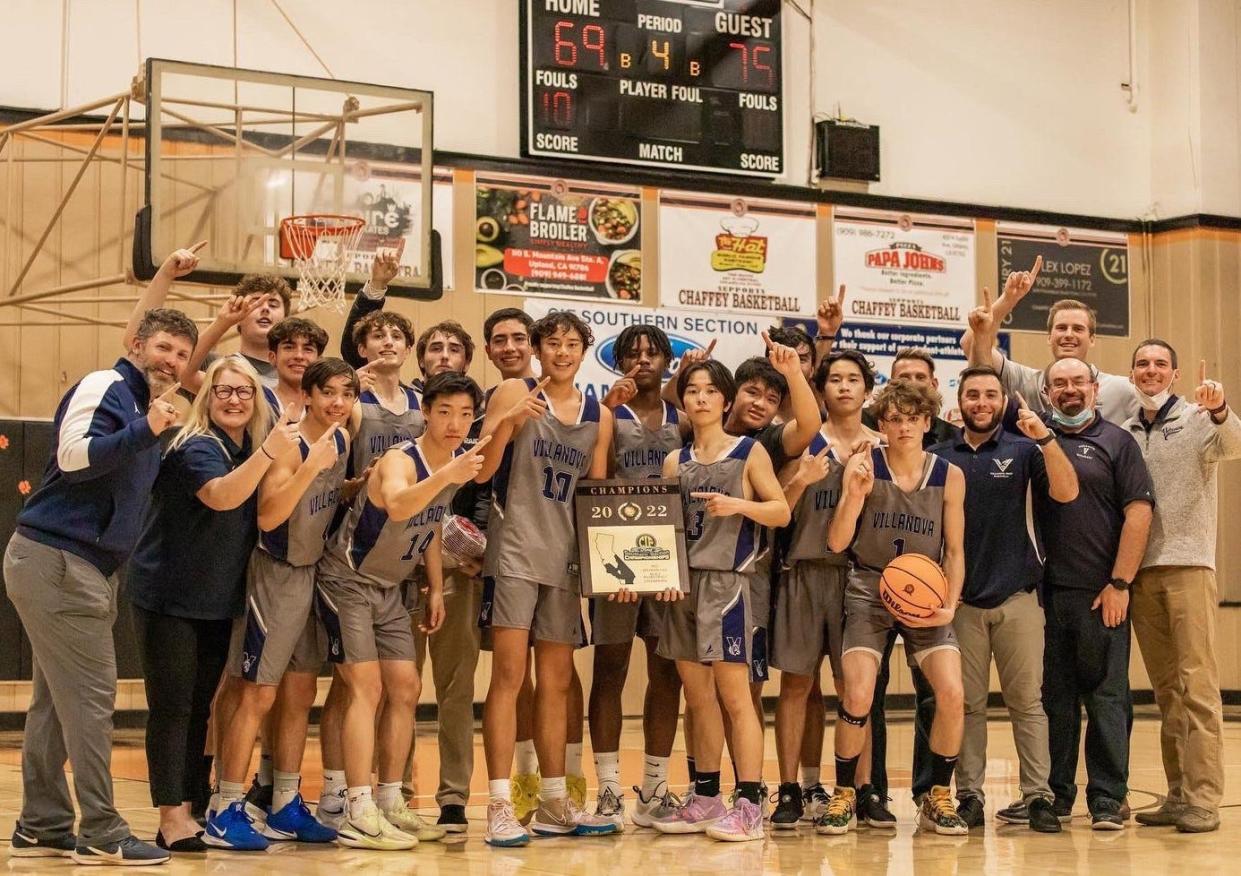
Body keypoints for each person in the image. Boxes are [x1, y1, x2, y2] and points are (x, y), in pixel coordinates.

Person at [4, 306, 196, 865]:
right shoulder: (106, 385)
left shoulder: (148, 405)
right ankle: (103, 831)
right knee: (91, 702)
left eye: (183, 355)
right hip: (58, 561)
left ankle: (42, 823)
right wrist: (147, 430)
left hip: (79, 567)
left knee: (54, 704)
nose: (173, 361)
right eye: (164, 347)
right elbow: (71, 456)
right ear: (136, 342)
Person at [315, 372, 487, 849]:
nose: (455, 422)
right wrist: (445, 477)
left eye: (465, 414)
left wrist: (434, 586)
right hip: (346, 580)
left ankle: (391, 801)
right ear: (427, 413)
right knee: (365, 689)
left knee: (407, 687)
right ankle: (357, 809)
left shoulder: (452, 461)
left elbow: (430, 525)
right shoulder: (401, 459)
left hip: (391, 588)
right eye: (445, 412)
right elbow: (396, 505)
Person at [127, 357, 290, 852]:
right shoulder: (195, 444)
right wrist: (268, 453)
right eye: (224, 390)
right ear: (207, 396)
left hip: (217, 599)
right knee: (174, 708)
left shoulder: (244, 446)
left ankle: (192, 805)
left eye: (244, 392)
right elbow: (222, 497)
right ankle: (171, 816)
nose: (234, 399)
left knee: (201, 706)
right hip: (169, 596)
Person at [476, 311, 617, 846]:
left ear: (584, 351)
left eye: (572, 344)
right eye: (552, 343)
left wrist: (607, 566)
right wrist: (506, 422)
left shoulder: (598, 416)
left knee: (557, 683)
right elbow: (484, 471)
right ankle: (498, 803)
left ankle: (555, 800)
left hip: (564, 561)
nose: (561, 352)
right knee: (510, 679)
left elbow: (596, 496)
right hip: (513, 553)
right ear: (537, 349)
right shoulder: (514, 391)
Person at [205, 359, 354, 851]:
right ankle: (225, 806)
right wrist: (311, 466)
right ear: (306, 395)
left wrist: (357, 485)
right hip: (276, 572)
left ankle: (286, 802)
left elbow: (324, 500)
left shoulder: (343, 440)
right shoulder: (288, 445)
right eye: (326, 392)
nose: (336, 402)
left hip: (314, 573)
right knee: (257, 693)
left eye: (345, 393)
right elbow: (269, 516)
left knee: (299, 692)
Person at [928, 366, 1078, 833]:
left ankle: (1038, 796)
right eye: (972, 393)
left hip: (1018, 596)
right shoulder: (939, 456)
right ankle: (969, 795)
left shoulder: (1025, 449)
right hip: (961, 602)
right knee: (967, 705)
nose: (981, 402)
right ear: (961, 399)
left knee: (1027, 703)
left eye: (990, 394)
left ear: (1004, 400)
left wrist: (1047, 440)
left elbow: (1067, 492)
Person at [821, 379, 969, 836]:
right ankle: (845, 793)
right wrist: (854, 495)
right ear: (881, 423)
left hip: (925, 592)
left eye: (913, 418)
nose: (904, 427)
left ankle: (939, 794)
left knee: (952, 693)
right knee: (859, 695)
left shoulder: (949, 474)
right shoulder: (864, 465)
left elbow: (956, 551)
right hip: (869, 587)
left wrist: (949, 604)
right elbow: (837, 541)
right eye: (894, 418)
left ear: (928, 422)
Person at [651, 358, 789, 842]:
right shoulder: (676, 461)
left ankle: (749, 803)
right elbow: (666, 531)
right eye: (693, 390)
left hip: (729, 587)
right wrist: (663, 572)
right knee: (698, 698)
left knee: (735, 697)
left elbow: (780, 511)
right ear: (684, 400)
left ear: (725, 400)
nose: (702, 398)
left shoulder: (749, 452)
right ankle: (706, 797)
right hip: (684, 589)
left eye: (712, 391)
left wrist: (739, 505)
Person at [1125, 343, 1241, 833]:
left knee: (1197, 686)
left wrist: (1220, 409)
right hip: (1141, 572)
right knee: (1167, 691)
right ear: (1133, 374)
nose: (1151, 371)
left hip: (1190, 566)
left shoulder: (1198, 418)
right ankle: (1177, 794)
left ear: (1173, 373)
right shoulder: (1125, 430)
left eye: (1159, 364)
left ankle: (1203, 799)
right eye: (1142, 364)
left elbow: (1234, 444)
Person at [1036, 357, 1154, 829]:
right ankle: (1057, 795)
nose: (1069, 389)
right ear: (1047, 392)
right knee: (1055, 702)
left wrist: (1120, 583)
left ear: (1094, 386)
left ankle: (1107, 797)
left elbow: (1139, 514)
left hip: (1101, 593)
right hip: (1045, 598)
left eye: (1077, 381)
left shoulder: (1117, 442)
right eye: (1059, 383)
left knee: (1107, 699)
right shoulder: (1032, 440)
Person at [769, 350, 880, 829]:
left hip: (857, 577)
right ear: (821, 389)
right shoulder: (803, 441)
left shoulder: (883, 445)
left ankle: (863, 789)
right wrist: (799, 479)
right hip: (804, 571)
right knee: (795, 685)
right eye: (833, 379)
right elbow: (779, 510)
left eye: (853, 379)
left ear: (866, 389)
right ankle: (790, 788)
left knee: (856, 690)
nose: (843, 387)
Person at [588, 324, 685, 829]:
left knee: (666, 668)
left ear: (667, 361)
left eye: (652, 353)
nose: (642, 360)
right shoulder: (607, 414)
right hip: (616, 553)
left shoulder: (683, 419)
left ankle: (654, 787)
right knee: (610, 667)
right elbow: (593, 481)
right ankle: (607, 789)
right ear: (619, 361)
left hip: (668, 555)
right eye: (632, 353)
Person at [963, 256, 1138, 424]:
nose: (1069, 334)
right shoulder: (1027, 382)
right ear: (1049, 337)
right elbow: (972, 343)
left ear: (1092, 339)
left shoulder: (1120, 389)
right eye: (1061, 328)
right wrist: (1008, 300)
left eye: (1078, 329)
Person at [183, 274, 294, 390]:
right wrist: (222, 322)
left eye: (273, 305)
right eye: (256, 303)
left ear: (285, 319)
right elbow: (182, 372)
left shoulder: (299, 373)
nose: (265, 308)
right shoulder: (218, 368)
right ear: (239, 317)